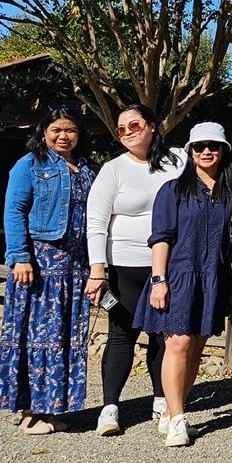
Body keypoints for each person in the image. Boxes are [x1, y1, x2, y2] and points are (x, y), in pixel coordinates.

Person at [0, 102, 97, 435]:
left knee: (64, 336)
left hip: (75, 265)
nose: (64, 136)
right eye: (57, 130)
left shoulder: (86, 168)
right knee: (34, 336)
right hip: (40, 264)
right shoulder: (30, 165)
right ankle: (30, 412)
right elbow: (14, 211)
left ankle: (50, 408)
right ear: (44, 132)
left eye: (70, 130)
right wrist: (19, 256)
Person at [85, 104, 185, 436]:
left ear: (153, 127)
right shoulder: (113, 170)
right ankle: (110, 407)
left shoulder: (177, 161)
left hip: (169, 264)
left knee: (161, 334)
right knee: (121, 334)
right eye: (122, 128)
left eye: (135, 125)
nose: (128, 132)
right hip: (124, 264)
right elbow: (96, 222)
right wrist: (97, 269)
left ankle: (161, 399)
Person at [133, 123, 232, 449]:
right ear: (190, 151)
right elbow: (160, 238)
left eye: (214, 146)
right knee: (176, 345)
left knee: (195, 349)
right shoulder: (173, 190)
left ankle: (176, 410)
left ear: (223, 151)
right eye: (200, 146)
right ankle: (176, 417)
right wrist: (158, 281)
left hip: (212, 279)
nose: (207, 151)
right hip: (177, 276)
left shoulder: (229, 195)